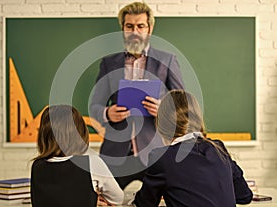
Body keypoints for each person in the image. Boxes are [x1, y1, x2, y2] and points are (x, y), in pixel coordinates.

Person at [90, 1, 184, 189]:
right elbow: (94, 106)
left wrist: (163, 110)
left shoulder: (167, 60)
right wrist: (107, 113)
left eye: (140, 26)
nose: (135, 31)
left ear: (149, 29)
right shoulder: (109, 63)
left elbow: (182, 107)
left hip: (155, 150)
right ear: (123, 29)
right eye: (129, 26)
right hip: (115, 152)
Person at [133, 90, 253, 207]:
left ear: (163, 124)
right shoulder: (218, 148)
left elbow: (145, 203)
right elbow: (244, 196)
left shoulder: (162, 157)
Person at [31, 105, 124, 206]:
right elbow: (117, 198)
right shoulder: (91, 162)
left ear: (43, 135)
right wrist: (92, 198)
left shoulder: (37, 167)